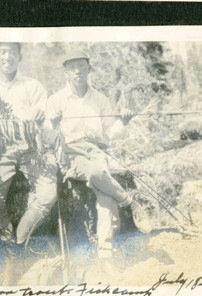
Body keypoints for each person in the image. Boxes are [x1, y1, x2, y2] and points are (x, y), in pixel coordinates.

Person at [0, 42, 58, 284]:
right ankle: (6, 243)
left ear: (20, 56)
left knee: (48, 195)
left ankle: (20, 241)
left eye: (12, 52)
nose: (7, 56)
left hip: (31, 150)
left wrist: (42, 122)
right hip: (1, 151)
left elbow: (46, 122)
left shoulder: (33, 85)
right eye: (3, 52)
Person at [47, 50, 140, 261]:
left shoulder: (100, 99)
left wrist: (123, 122)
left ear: (89, 69)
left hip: (98, 151)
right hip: (73, 153)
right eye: (72, 67)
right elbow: (46, 137)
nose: (78, 71)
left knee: (103, 187)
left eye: (82, 66)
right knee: (99, 174)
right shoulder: (55, 100)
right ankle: (126, 200)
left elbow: (111, 134)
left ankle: (105, 249)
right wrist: (53, 125)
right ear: (66, 73)